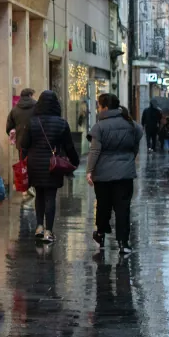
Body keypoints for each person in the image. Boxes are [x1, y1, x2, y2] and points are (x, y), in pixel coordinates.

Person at [87, 93, 143, 255]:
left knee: (103, 205)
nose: (98, 108)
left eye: (99, 105)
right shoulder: (130, 123)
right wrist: (130, 157)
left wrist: (89, 170)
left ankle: (101, 233)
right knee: (122, 208)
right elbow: (136, 141)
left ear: (104, 107)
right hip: (125, 174)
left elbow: (95, 151)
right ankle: (123, 243)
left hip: (103, 174)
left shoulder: (99, 127)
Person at [20, 90, 79, 244]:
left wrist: (23, 162)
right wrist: (75, 161)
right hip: (53, 165)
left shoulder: (32, 122)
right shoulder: (61, 123)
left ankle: (39, 226)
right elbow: (69, 146)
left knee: (39, 194)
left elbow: (23, 145)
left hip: (34, 164)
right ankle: (49, 231)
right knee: (50, 197)